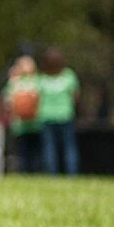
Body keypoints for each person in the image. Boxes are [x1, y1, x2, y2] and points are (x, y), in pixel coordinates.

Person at [35, 48, 80, 176]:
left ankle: (52, 175)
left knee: (49, 148)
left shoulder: (42, 79)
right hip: (65, 115)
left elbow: (36, 97)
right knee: (69, 147)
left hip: (47, 116)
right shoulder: (68, 76)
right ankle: (72, 174)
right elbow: (75, 96)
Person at [2, 56, 42, 173]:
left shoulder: (32, 81)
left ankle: (33, 172)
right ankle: (25, 172)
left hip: (34, 123)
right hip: (21, 124)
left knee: (32, 152)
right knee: (24, 152)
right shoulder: (35, 80)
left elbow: (7, 100)